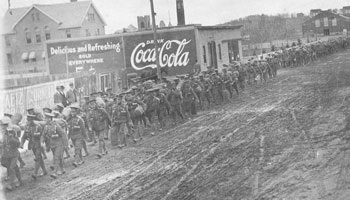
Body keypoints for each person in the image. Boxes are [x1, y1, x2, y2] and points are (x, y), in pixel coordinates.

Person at [41, 112, 68, 179]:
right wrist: (42, 142)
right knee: (59, 157)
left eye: (46, 118)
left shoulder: (56, 126)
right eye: (45, 118)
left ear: (50, 119)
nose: (45, 120)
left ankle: (55, 172)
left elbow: (63, 134)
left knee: (56, 157)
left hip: (59, 144)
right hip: (52, 145)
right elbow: (43, 135)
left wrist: (65, 144)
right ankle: (62, 169)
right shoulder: (46, 127)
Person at [20, 114, 47, 180]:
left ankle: (35, 173)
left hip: (38, 144)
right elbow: (24, 136)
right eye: (27, 120)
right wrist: (21, 144)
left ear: (32, 120)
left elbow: (43, 135)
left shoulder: (38, 126)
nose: (28, 122)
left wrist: (42, 143)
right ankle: (44, 171)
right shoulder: (27, 127)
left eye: (29, 120)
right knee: (39, 158)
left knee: (37, 158)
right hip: (32, 145)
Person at [1, 117, 23, 191]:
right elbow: (3, 144)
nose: (3, 126)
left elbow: (18, 143)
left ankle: (11, 184)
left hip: (14, 154)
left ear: (7, 125)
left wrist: (11, 138)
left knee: (11, 168)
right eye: (2, 125)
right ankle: (20, 181)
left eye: (4, 125)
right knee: (13, 167)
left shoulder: (12, 132)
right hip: (7, 154)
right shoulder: (3, 134)